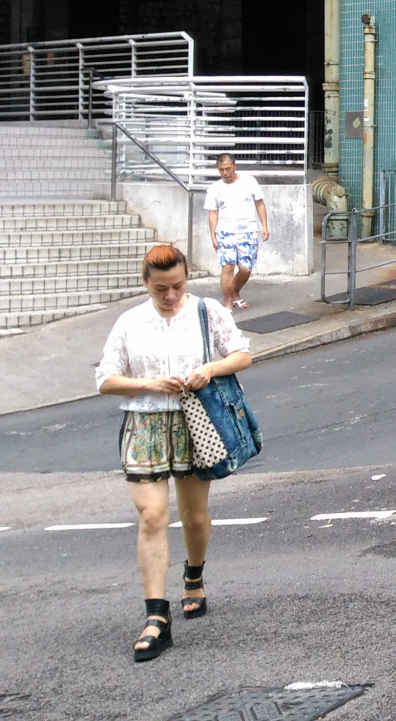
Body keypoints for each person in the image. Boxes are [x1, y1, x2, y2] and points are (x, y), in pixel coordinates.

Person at [93, 243, 253, 663]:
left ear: (186, 279)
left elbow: (242, 354)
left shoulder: (206, 311)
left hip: (194, 421)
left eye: (177, 286)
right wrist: (148, 384)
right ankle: (156, 617)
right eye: (160, 288)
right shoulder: (130, 322)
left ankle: (193, 576)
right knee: (152, 516)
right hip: (144, 427)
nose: (170, 295)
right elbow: (105, 379)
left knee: (194, 516)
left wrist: (209, 369)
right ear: (145, 283)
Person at [203, 154, 268, 310]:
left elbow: (259, 203)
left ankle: (234, 291)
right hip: (225, 231)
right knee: (228, 267)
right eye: (221, 170)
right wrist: (213, 234)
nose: (225, 173)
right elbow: (213, 213)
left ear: (234, 166)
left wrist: (264, 225)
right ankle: (227, 302)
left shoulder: (249, 181)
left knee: (246, 268)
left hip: (248, 231)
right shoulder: (215, 188)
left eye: (228, 169)